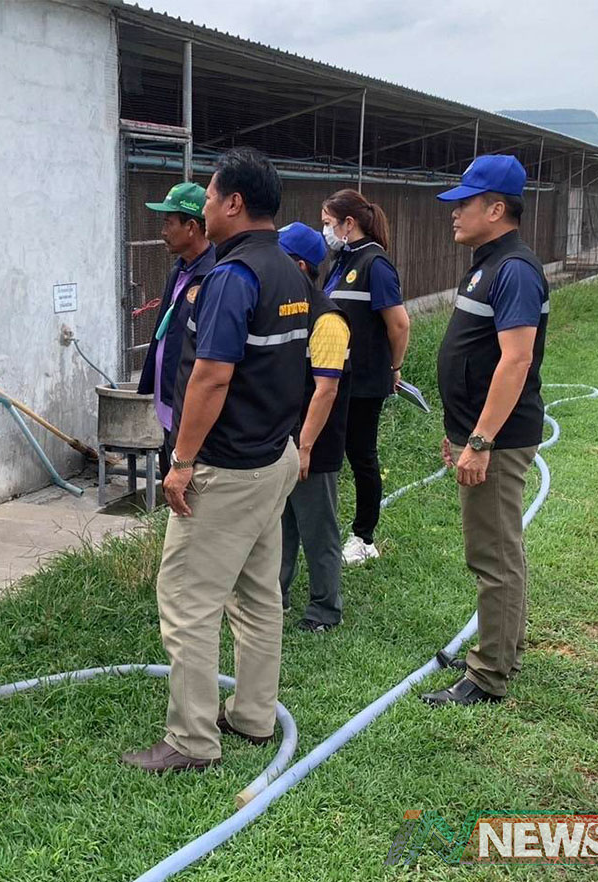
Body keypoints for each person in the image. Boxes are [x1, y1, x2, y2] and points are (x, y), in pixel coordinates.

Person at [121, 148, 304, 772]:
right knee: (257, 597)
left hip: (226, 470)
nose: (202, 208)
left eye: (208, 197)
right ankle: (253, 715)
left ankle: (192, 741)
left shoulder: (233, 277)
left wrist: (182, 461)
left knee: (186, 604)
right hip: (273, 459)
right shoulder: (290, 272)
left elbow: (211, 377)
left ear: (234, 203)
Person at [420, 155, 549, 706]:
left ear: (496, 209)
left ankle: (488, 674)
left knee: (493, 556)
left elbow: (515, 360)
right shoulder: (489, 265)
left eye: (464, 203)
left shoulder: (513, 269)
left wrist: (480, 440)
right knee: (499, 550)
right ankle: (502, 648)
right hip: (481, 433)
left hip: (498, 440)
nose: (454, 212)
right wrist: (461, 428)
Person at [321, 189, 410, 565]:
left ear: (349, 223)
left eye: (327, 223)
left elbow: (399, 324)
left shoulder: (375, 263)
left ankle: (364, 537)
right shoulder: (342, 261)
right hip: (336, 377)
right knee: (332, 454)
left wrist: (393, 368)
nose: (325, 231)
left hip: (364, 379)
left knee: (362, 456)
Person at [276, 222, 351, 633]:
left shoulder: (328, 321)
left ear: (300, 266)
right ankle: (275, 597)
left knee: (318, 528)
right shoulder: (287, 311)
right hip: (283, 439)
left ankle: (325, 609)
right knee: (280, 525)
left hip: (313, 444)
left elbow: (326, 390)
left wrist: (304, 448)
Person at [137, 183, 216, 477]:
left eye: (169, 223)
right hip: (168, 403)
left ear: (192, 227)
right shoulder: (180, 270)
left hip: (189, 407)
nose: (163, 231)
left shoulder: (213, 275)